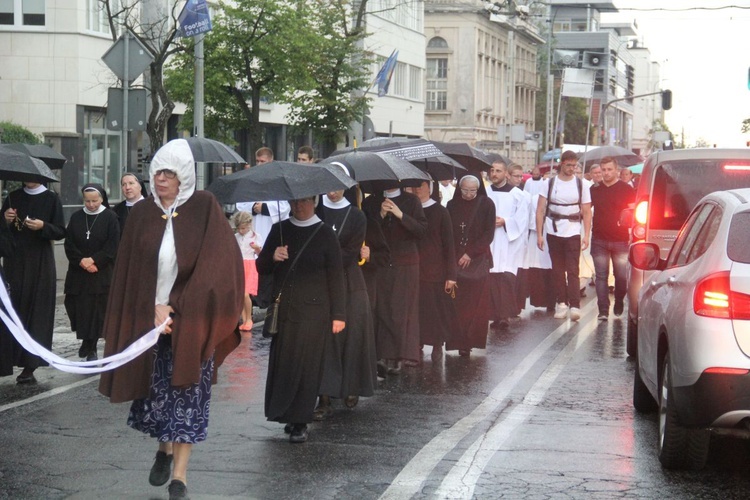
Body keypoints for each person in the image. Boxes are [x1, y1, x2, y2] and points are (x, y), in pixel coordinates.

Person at [98, 139, 244, 500]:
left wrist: (177, 306)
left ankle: (180, 476)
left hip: (191, 322)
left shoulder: (205, 207)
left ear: (184, 176)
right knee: (159, 397)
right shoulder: (142, 215)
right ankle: (163, 450)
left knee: (188, 396)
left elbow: (218, 269)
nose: (161, 179)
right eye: (157, 172)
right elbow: (130, 272)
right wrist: (152, 306)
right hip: (151, 325)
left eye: (169, 173)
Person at [257, 196, 346, 443]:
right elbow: (261, 266)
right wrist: (273, 257)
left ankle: (300, 421)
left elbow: (336, 277)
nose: (299, 206)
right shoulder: (279, 230)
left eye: (305, 201)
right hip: (285, 310)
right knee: (285, 365)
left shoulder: (325, 233)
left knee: (306, 367)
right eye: (295, 201)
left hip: (315, 312)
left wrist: (339, 314)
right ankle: (287, 413)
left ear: (315, 202)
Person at [314, 188, 377, 419]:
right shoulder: (315, 209)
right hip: (319, 281)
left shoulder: (356, 215)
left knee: (352, 335)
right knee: (323, 340)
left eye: (337, 186)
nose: (331, 191)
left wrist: (324, 258)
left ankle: (351, 385)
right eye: (327, 186)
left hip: (349, 281)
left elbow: (351, 252)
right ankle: (324, 397)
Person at [0, 180, 65, 383]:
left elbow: (61, 230)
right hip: (15, 261)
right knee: (12, 309)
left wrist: (43, 226)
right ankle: (7, 360)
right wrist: (5, 219)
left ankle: (30, 364)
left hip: (39, 262)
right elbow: (3, 230)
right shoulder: (14, 197)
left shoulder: (51, 198)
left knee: (36, 311)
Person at [361, 184, 427, 373]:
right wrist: (380, 216)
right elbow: (366, 231)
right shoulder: (370, 202)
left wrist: (400, 215)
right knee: (380, 308)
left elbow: (421, 230)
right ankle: (381, 354)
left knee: (400, 309)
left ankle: (400, 354)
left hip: (405, 262)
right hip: (379, 261)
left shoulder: (411, 201)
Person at [64, 184, 120, 362]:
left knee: (96, 311)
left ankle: (92, 347)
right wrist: (82, 261)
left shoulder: (110, 217)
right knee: (77, 308)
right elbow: (69, 243)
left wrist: (95, 261)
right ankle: (85, 341)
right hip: (78, 273)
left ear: (102, 199)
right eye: (87, 201)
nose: (91, 204)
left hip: (100, 273)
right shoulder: (76, 217)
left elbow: (113, 245)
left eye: (94, 201)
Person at [536, 150, 592, 321]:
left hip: (573, 230)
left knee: (573, 269)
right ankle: (561, 303)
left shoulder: (581, 184)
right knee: (557, 269)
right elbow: (540, 210)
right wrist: (540, 234)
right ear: (561, 164)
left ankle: (574, 304)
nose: (571, 169)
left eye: (574, 165)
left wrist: (587, 235)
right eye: (568, 165)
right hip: (553, 230)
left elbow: (586, 211)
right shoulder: (549, 183)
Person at [446, 175, 495, 357]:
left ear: (478, 189)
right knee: (457, 303)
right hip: (456, 260)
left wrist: (470, 253)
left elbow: (488, 234)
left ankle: (471, 341)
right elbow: (448, 232)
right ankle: (457, 342)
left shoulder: (487, 204)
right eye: (465, 190)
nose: (468, 194)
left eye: (472, 191)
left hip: (477, 260)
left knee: (476, 304)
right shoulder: (452, 205)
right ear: (459, 188)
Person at [236, 147, 290, 308]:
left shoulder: (278, 182)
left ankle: (265, 299)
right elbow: (241, 203)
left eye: (263, 161)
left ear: (270, 161)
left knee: (267, 263)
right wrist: (253, 207)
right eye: (257, 161)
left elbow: (284, 207)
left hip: (269, 229)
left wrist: (265, 208)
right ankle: (252, 298)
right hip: (254, 227)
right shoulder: (250, 180)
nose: (259, 164)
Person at [413, 180, 457, 361]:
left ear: (430, 188)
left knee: (436, 310)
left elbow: (449, 244)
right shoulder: (410, 210)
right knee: (417, 310)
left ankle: (438, 343)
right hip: (414, 268)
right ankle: (418, 343)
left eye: (421, 185)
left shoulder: (440, 211)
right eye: (414, 185)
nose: (417, 189)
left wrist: (451, 274)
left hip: (435, 270)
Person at [589, 156, 635, 320]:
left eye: (609, 169)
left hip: (620, 239)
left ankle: (619, 299)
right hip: (599, 238)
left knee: (621, 276)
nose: (606, 173)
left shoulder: (626, 189)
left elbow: (633, 211)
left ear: (617, 170)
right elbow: (587, 210)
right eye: (603, 170)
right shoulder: (594, 189)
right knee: (601, 276)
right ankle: (603, 310)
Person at [486, 161, 528, 329]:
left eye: (498, 171)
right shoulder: (485, 193)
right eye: (492, 170)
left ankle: (505, 315)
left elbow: (522, 219)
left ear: (506, 174)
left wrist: (505, 221)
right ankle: (494, 315)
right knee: (491, 278)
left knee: (505, 277)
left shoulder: (517, 194)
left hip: (508, 239)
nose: (494, 174)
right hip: (489, 239)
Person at [232, 210, 263, 331]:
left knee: (245, 294)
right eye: (239, 228)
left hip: (250, 264)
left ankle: (249, 318)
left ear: (249, 225)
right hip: (239, 265)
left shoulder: (255, 236)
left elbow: (260, 253)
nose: (241, 231)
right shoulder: (236, 237)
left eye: (243, 228)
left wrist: (256, 248)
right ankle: (244, 319)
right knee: (240, 294)